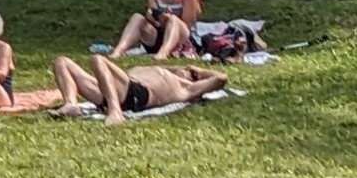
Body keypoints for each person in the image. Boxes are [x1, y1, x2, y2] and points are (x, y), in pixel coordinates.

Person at [51, 54, 233, 121]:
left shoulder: (186, 88)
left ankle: (115, 112)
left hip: (135, 94)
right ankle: (71, 104)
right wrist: (177, 67)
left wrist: (196, 70)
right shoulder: (159, 70)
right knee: (62, 62)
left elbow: (221, 78)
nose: (184, 70)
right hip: (112, 90)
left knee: (97, 59)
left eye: (189, 73)